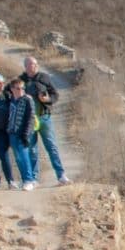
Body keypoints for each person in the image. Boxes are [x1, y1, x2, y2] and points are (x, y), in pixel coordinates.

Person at [19, 56, 71, 186]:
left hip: (44, 117)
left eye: (36, 64)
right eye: (31, 64)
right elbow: (11, 94)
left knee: (51, 147)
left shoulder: (44, 78)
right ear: (26, 67)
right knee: (32, 149)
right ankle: (34, 179)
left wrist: (47, 99)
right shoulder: (21, 80)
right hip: (29, 120)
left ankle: (61, 176)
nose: (34, 66)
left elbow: (55, 95)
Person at [5, 78, 38, 191]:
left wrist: (26, 134)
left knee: (24, 156)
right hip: (12, 132)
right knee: (18, 158)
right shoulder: (10, 100)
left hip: (23, 133)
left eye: (22, 88)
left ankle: (29, 180)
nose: (20, 90)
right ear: (12, 89)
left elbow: (30, 118)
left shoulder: (28, 100)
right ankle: (24, 180)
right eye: (18, 88)